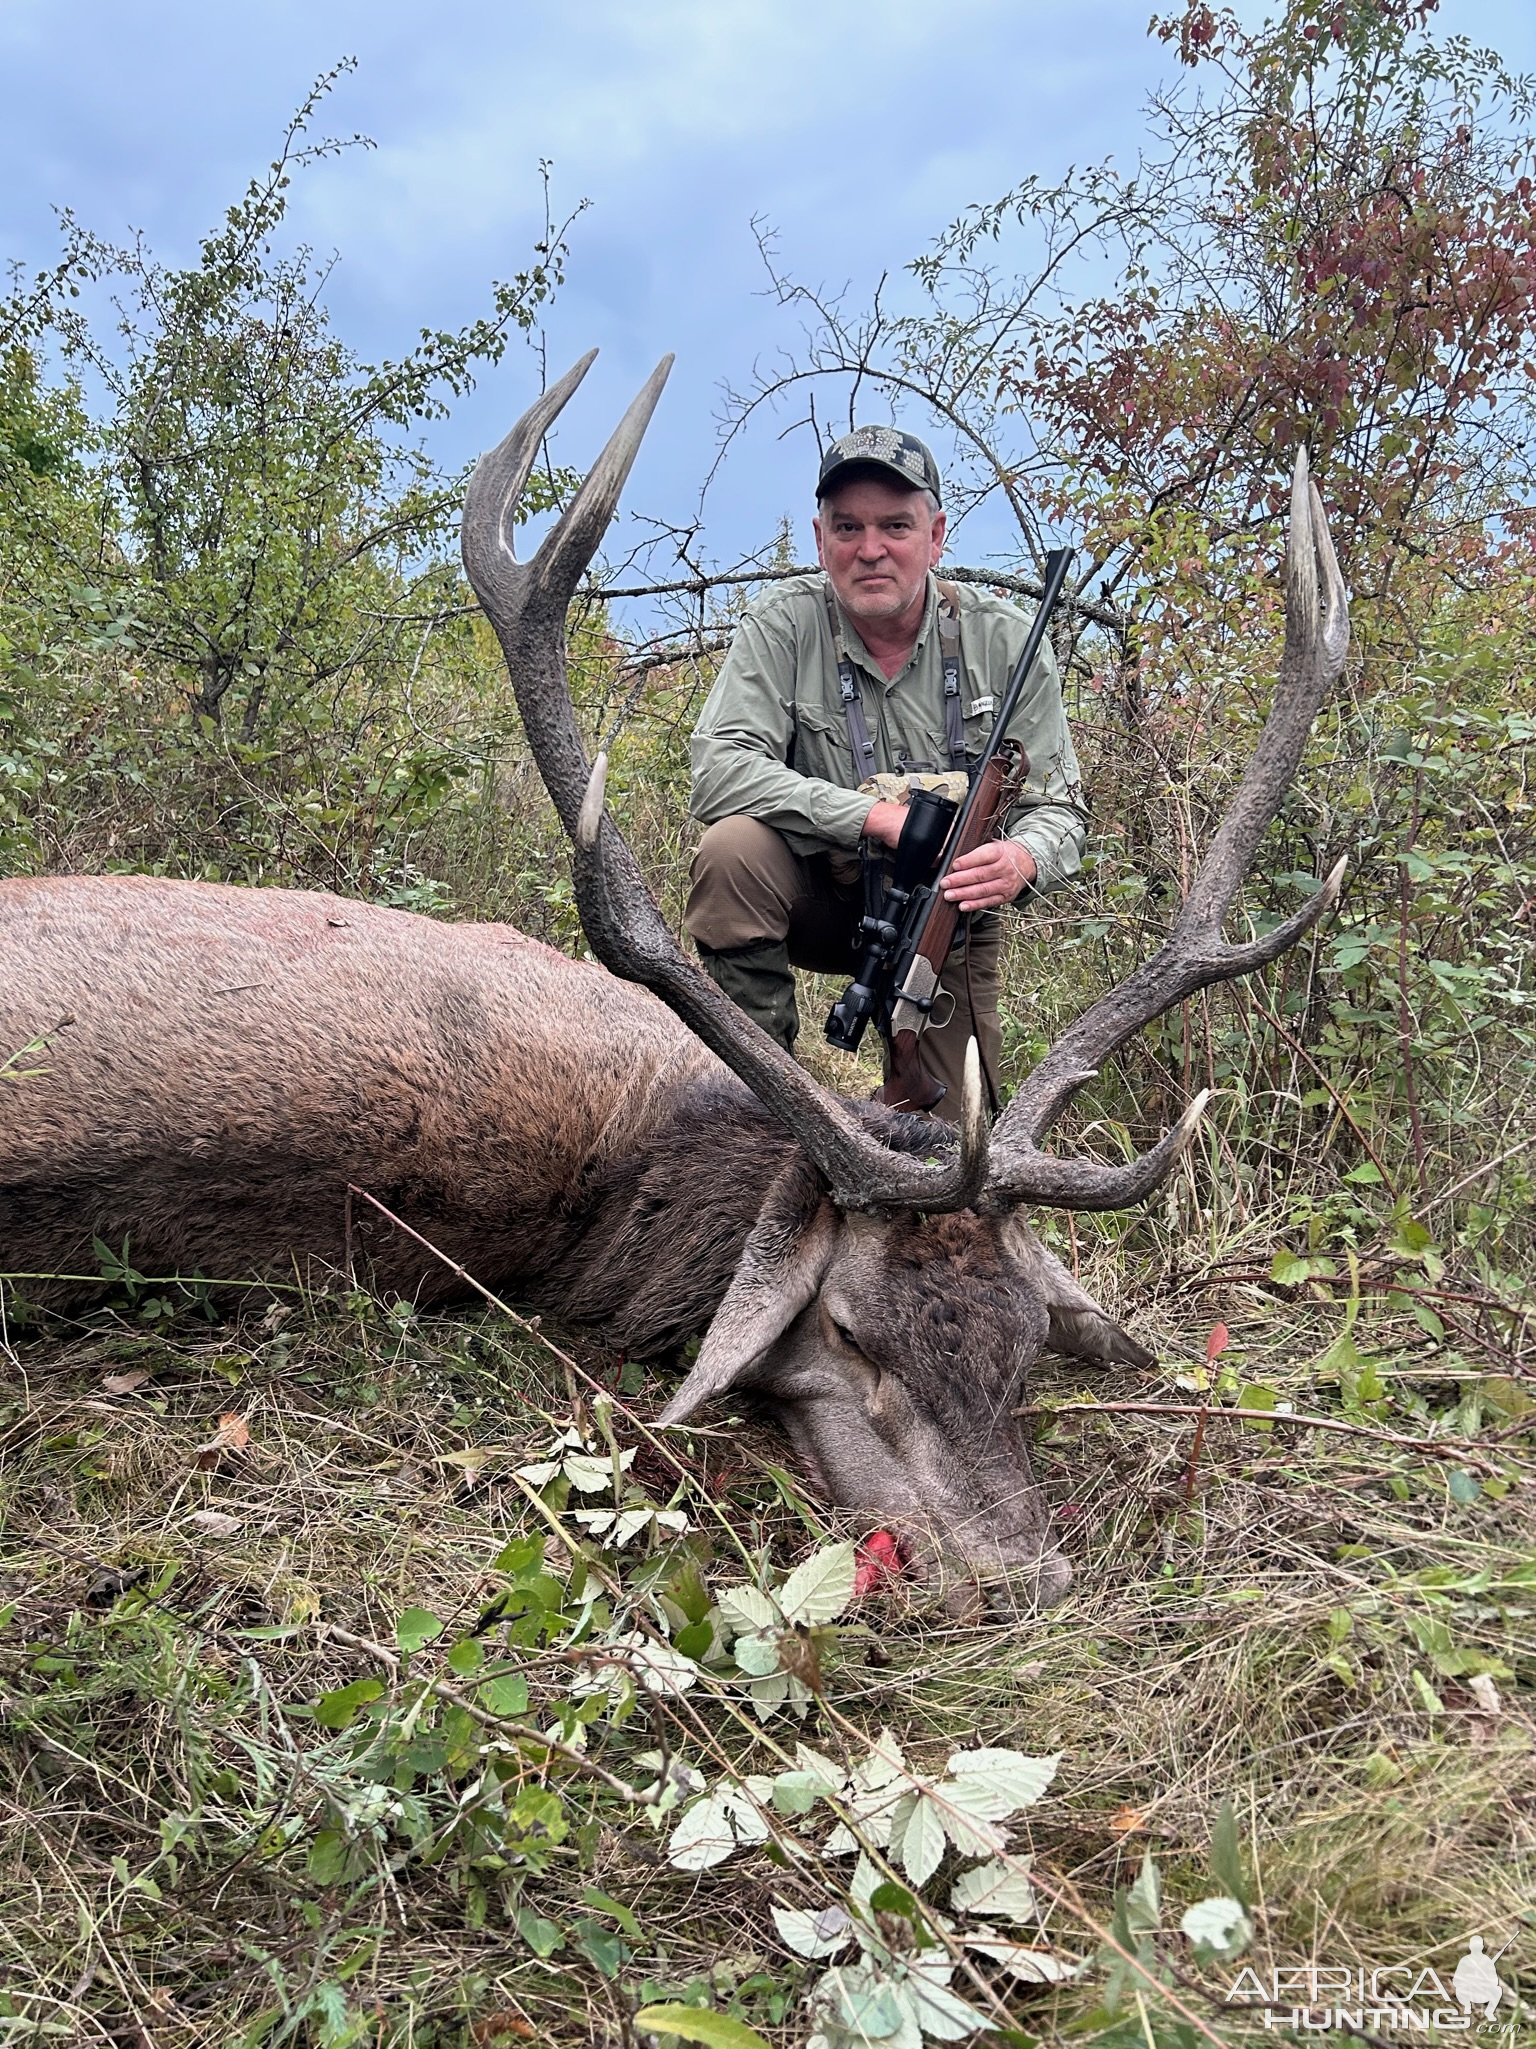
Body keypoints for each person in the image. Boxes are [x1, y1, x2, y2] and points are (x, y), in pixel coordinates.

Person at [685, 425, 1089, 1117]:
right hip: (819, 898)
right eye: (849, 526)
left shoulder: (1005, 639)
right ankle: (762, 1105)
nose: (870, 548)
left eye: (895, 526)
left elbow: (1061, 810)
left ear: (934, 537)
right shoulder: (781, 626)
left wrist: (1023, 855)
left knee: (951, 1155)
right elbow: (717, 772)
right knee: (730, 854)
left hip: (947, 915)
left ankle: (897, 1092)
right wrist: (874, 819)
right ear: (820, 540)